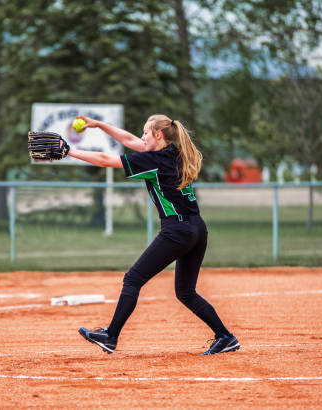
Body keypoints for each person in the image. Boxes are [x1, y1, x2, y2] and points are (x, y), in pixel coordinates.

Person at [69, 114, 239, 356]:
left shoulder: (155, 160)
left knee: (133, 279)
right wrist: (98, 125)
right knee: (186, 292)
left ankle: (111, 336)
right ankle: (225, 336)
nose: (141, 138)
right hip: (197, 229)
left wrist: (69, 151)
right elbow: (129, 139)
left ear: (158, 135)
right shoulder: (176, 153)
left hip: (177, 231)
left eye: (146, 133)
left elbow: (106, 160)